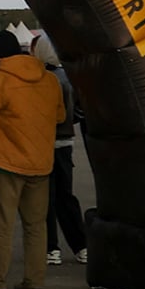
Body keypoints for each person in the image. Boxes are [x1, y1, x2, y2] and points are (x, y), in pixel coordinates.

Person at [0, 30, 65, 289]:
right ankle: (35, 282)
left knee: (0, 225)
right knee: (36, 226)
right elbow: (59, 115)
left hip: (6, 162)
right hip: (41, 163)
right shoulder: (48, 79)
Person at [32, 35, 88, 266]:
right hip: (65, 143)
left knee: (44, 199)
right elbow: (81, 111)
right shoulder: (70, 78)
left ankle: (50, 249)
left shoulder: (37, 79)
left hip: (40, 144)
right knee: (66, 196)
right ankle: (81, 246)